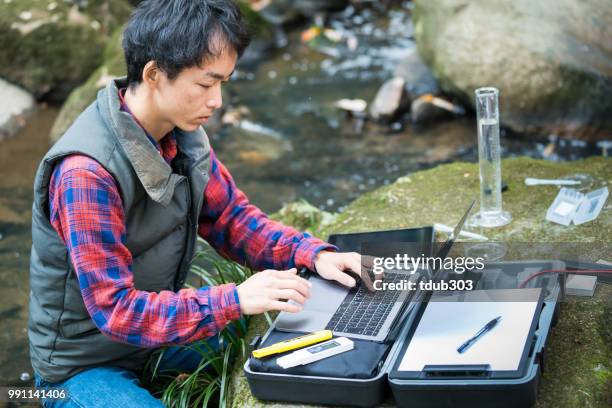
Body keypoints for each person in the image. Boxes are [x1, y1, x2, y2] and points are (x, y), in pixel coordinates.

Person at [28, 1, 368, 406]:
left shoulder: (182, 134)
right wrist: (234, 299)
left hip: (156, 344)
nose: (218, 101)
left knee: (313, 337)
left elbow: (232, 219)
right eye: (206, 85)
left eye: (223, 83)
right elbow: (116, 311)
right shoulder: (86, 174)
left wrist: (313, 254)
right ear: (154, 74)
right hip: (84, 366)